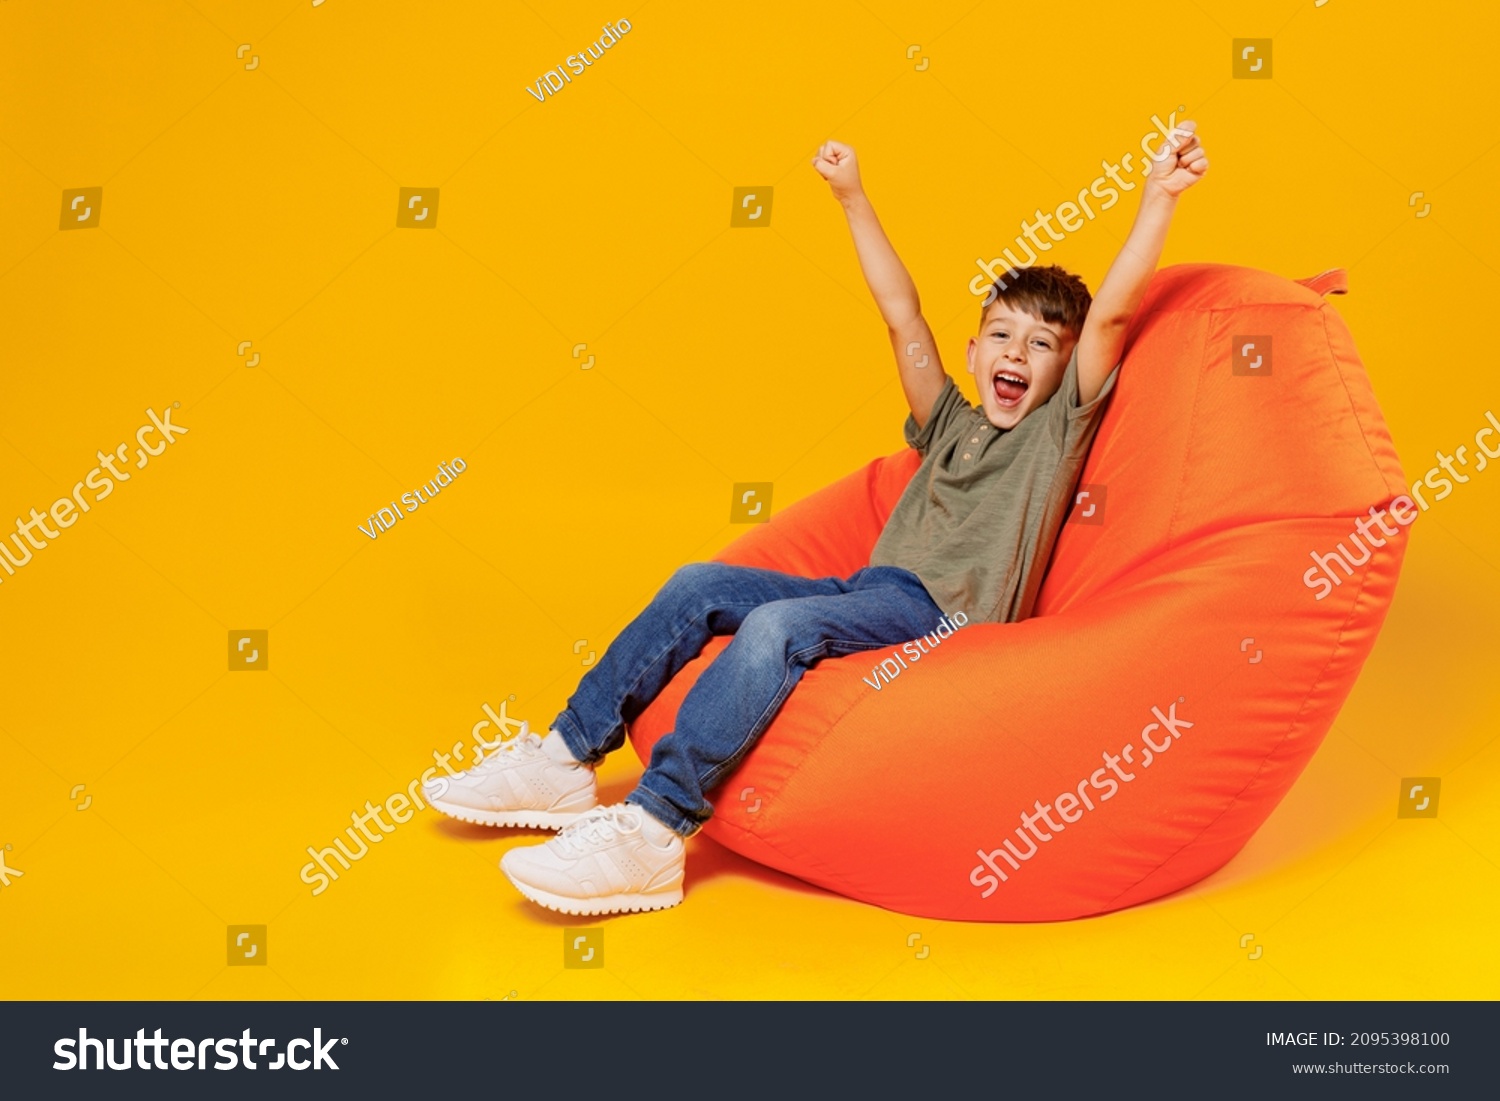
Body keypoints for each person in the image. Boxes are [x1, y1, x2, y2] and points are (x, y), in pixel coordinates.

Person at [426, 123, 1210, 915]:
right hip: (870, 587)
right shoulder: (948, 423)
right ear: (972, 352)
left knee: (776, 629)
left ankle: (656, 826)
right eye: (1001, 335)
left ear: (1063, 369)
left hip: (939, 615)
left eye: (1042, 345)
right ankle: (566, 753)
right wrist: (852, 197)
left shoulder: (1051, 432)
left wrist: (1157, 197)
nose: (1017, 353)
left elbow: (1109, 319)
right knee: (698, 584)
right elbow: (902, 316)